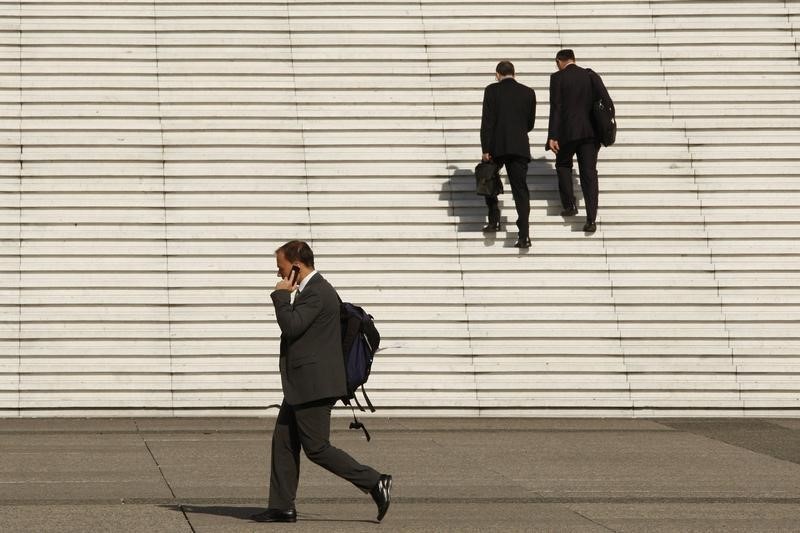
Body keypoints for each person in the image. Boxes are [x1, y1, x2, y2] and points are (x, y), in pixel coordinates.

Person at [251, 240, 392, 523]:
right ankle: (282, 507)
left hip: (314, 386)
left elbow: (291, 327)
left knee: (317, 448)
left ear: (295, 267)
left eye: (280, 268)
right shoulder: (312, 291)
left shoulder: (317, 292)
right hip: (304, 384)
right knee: (283, 442)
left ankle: (375, 481)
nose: (278, 274)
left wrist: (280, 296)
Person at [546, 49, 614, 233]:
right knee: (589, 175)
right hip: (590, 134)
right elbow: (607, 101)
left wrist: (552, 136)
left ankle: (569, 204)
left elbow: (556, 108)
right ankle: (591, 219)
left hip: (567, 133)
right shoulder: (590, 75)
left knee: (562, 165)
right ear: (574, 59)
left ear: (559, 61)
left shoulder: (557, 78)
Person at [480, 60, 537, 248]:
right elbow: (530, 123)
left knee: (487, 178)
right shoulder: (528, 92)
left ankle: (494, 219)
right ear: (514, 73)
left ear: (497, 74)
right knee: (520, 190)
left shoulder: (491, 90)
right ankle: (524, 235)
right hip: (519, 147)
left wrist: (485, 149)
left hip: (497, 146)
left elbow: (487, 122)